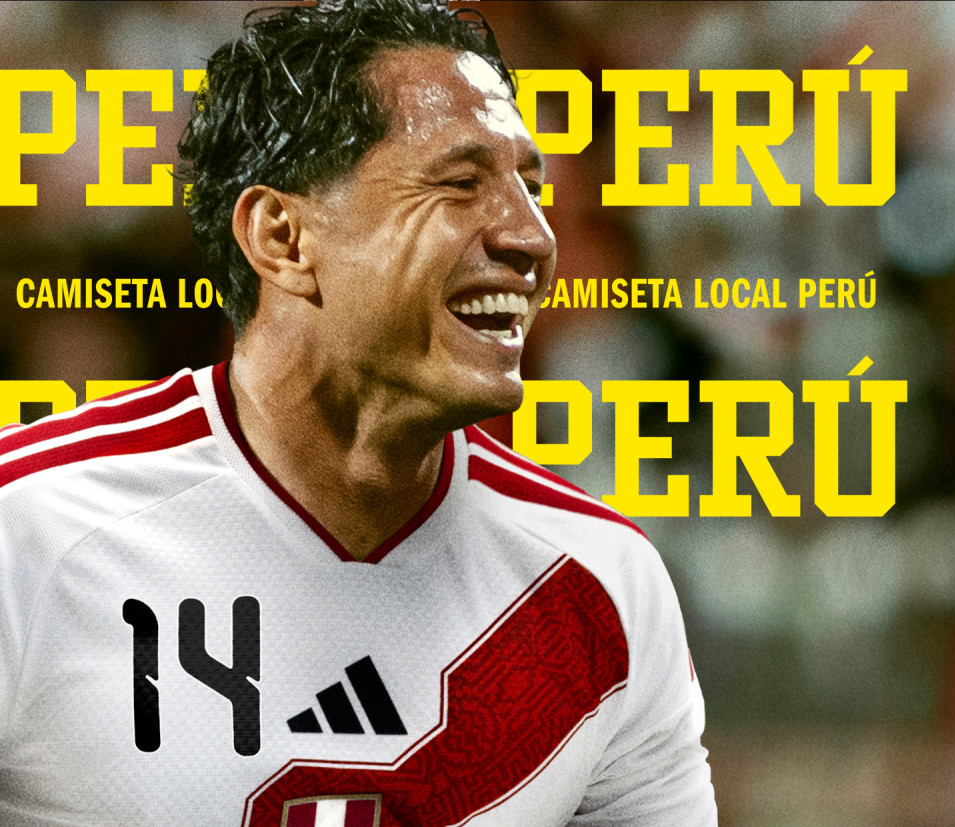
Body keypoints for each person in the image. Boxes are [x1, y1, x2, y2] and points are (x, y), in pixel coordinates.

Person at [0, 1, 717, 823]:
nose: (533, 237)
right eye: (461, 184)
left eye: (530, 188)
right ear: (283, 236)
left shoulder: (603, 583)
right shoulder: (28, 531)